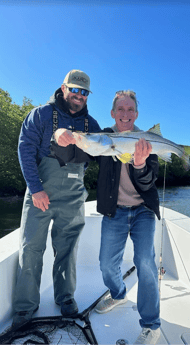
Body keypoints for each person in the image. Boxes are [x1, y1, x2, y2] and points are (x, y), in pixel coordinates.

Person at [53, 90, 161, 344]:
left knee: (145, 262)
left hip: (143, 209)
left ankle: (151, 325)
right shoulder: (102, 138)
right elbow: (72, 155)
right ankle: (118, 293)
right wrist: (60, 138)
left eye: (130, 110)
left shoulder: (147, 141)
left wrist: (139, 164)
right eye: (120, 110)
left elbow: (148, 183)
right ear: (112, 113)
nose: (125, 114)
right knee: (105, 264)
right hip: (115, 210)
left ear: (136, 114)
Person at [12, 69, 101, 329]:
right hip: (41, 193)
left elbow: (105, 153)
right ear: (63, 88)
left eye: (84, 92)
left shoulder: (91, 125)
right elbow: (25, 150)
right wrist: (36, 188)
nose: (79, 96)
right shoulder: (40, 114)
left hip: (74, 196)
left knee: (68, 250)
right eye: (74, 89)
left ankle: (65, 298)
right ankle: (25, 307)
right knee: (31, 249)